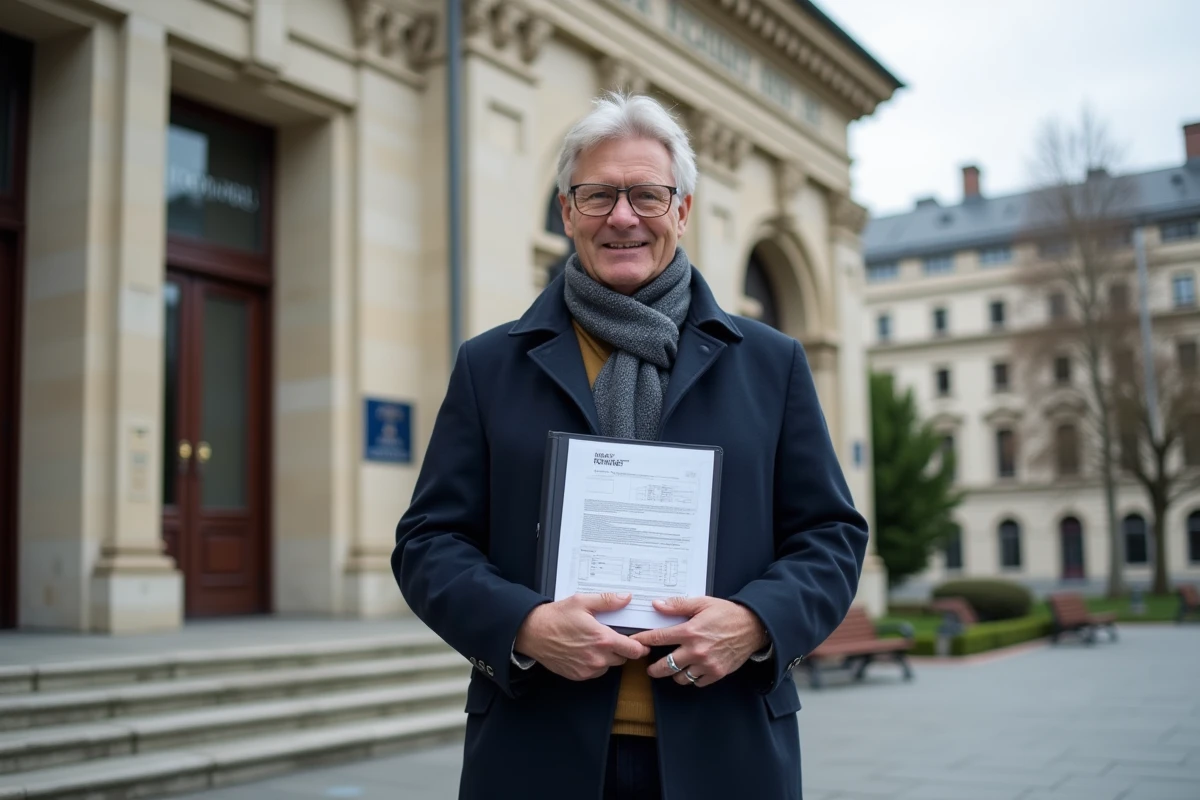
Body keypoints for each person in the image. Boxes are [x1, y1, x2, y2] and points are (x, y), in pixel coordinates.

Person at [392, 92, 868, 800]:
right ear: (565, 212)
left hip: (726, 749)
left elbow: (829, 536)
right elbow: (429, 541)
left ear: (681, 211)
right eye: (597, 195)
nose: (622, 217)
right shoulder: (490, 366)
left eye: (646, 195)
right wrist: (522, 625)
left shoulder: (770, 365)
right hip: (537, 751)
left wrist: (755, 621)